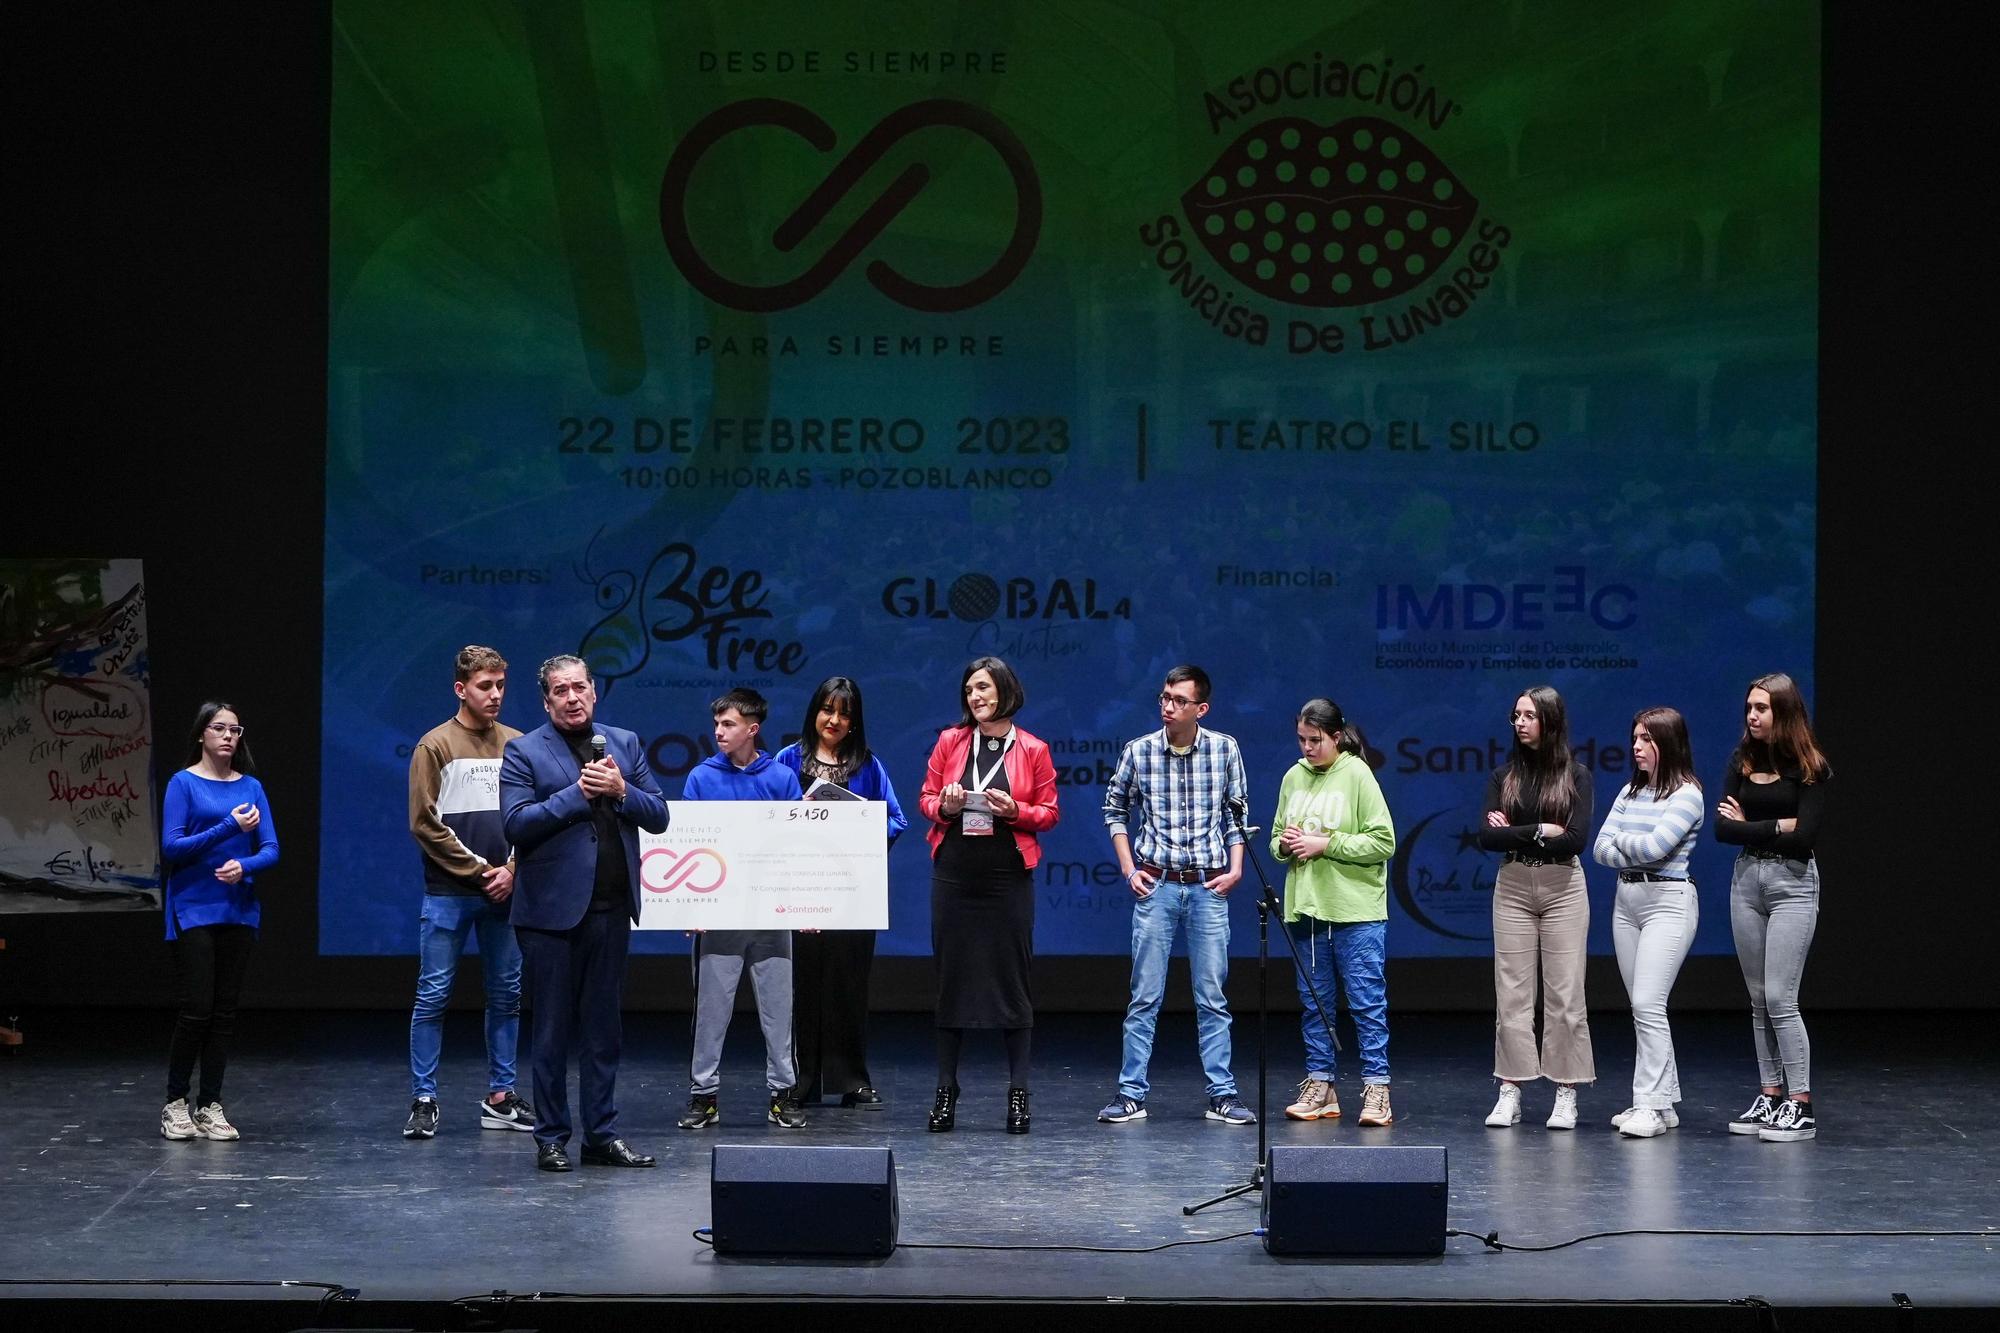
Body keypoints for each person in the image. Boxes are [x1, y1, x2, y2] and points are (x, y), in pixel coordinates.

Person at [500, 654, 668, 1172]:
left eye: (579, 687)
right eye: (560, 690)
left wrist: (622, 792)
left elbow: (659, 815)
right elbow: (515, 824)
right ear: (546, 700)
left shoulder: (626, 743)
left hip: (611, 910)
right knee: (551, 1031)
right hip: (550, 916)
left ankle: (601, 1135)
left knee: (604, 1031)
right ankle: (551, 1137)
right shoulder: (523, 750)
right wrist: (576, 795)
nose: (572, 697)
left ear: (594, 692)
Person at [1098, 665, 1253, 1126]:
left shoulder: (1225, 749)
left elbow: (1237, 815)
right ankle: (1130, 1094)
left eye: (1178, 700)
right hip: (1157, 883)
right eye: (1164, 697)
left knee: (1212, 996)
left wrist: (1237, 867)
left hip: (1207, 885)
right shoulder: (1140, 751)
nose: (1168, 706)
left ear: (1200, 708)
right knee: (1144, 996)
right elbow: (1115, 808)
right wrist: (1129, 868)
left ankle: (1222, 1094)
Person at [917, 656, 1059, 1134]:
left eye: (983, 688)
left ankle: (1018, 1093)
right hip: (955, 873)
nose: (974, 696)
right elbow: (926, 801)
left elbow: (1049, 813)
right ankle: (945, 1090)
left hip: (1007, 877)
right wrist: (947, 805)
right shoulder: (949, 741)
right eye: (969, 690)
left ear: (1004, 690)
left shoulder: (1034, 748)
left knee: (1012, 981)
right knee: (950, 979)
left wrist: (1016, 809)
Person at [402, 645, 533, 1140]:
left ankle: (501, 1097)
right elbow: (424, 823)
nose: (495, 694)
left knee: (506, 995)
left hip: (507, 891)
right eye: (485, 685)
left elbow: (531, 818)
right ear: (462, 689)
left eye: (501, 684)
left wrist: (514, 869)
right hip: (450, 892)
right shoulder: (433, 745)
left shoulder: (520, 744)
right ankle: (424, 1097)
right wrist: (484, 871)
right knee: (432, 995)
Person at [677, 687, 809, 1132]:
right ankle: (703, 1096)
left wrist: (804, 904)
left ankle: (783, 1093)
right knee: (711, 1012)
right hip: (719, 915)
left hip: (771, 914)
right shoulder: (700, 778)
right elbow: (690, 848)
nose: (719, 731)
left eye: (728, 724)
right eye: (716, 724)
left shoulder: (781, 779)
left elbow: (795, 851)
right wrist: (692, 905)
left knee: (778, 1010)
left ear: (752, 729)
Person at [774, 676, 908, 1109]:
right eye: (827, 710)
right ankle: (801, 1080)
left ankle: (852, 1079)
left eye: (844, 713)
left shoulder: (867, 764)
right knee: (801, 985)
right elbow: (767, 820)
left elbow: (897, 821)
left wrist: (859, 821)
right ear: (814, 712)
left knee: (848, 985)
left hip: (853, 891)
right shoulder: (786, 759)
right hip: (800, 888)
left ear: (854, 722)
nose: (834, 719)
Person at [1269, 697, 1397, 1127]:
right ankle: (1321, 1085)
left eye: (1315, 739)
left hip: (1354, 910)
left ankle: (1377, 1089)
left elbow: (1384, 841)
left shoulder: (1357, 774)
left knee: (1366, 1002)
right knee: (1315, 1002)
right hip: (1306, 907)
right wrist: (1285, 843)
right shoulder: (1293, 777)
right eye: (1302, 739)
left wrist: (1328, 844)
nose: (1307, 747)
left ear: (1336, 736)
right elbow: (1274, 840)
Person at [1715, 672, 1831, 1143]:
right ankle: (1771, 1095)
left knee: (1782, 998)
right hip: (1747, 881)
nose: (1752, 716)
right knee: (1758, 999)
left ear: (1783, 712)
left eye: (1761, 708)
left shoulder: (1810, 767)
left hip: (1793, 884)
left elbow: (1805, 836)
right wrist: (1776, 824)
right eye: (1749, 708)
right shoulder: (1740, 761)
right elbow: (1723, 831)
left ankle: (1800, 1103)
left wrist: (1754, 823)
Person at [1477, 685, 1596, 1131]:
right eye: (1516, 716)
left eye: (1528, 715)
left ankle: (1566, 1091)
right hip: (1513, 884)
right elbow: (1488, 838)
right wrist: (1541, 828)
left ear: (1550, 720)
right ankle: (1511, 1088)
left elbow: (1576, 839)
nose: (1520, 723)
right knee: (1511, 992)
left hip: (1563, 884)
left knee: (1565, 993)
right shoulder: (1502, 776)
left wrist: (1517, 828)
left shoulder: (1576, 776)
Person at [159, 701, 278, 1142]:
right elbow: (173, 848)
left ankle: (210, 1104)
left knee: (224, 1012)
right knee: (197, 1008)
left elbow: (271, 848)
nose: (228, 736)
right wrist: (228, 827)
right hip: (193, 906)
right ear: (201, 735)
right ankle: (175, 1103)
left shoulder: (251, 787)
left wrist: (245, 867)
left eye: (235, 729)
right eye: (219, 728)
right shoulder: (183, 784)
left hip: (238, 907)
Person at [1592, 707, 1704, 1139]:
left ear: (1667, 743)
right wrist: (1627, 846)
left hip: (1668, 902)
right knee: (1642, 1007)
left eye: (1646, 739)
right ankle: (1664, 1103)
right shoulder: (1629, 791)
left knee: (1647, 1004)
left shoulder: (1687, 794)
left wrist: (1624, 842)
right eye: (1635, 737)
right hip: (1627, 902)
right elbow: (1600, 848)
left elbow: (1658, 848)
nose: (1636, 747)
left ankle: (1648, 1105)